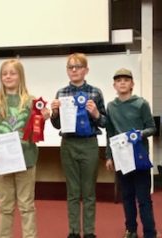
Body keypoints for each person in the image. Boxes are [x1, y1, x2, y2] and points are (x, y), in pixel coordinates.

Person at [0, 59, 50, 238]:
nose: (8, 76)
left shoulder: (31, 102)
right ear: (0, 77)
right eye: (4, 73)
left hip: (26, 160)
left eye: (12, 73)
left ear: (20, 76)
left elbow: (36, 132)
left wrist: (44, 118)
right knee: (5, 206)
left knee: (26, 205)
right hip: (2, 162)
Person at [50, 53, 106, 238]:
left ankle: (89, 232)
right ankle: (73, 231)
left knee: (89, 190)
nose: (74, 70)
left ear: (86, 70)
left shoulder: (95, 92)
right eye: (70, 67)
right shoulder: (61, 93)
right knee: (73, 190)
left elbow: (105, 122)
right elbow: (57, 125)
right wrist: (55, 112)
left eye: (78, 66)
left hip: (89, 144)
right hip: (68, 144)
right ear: (67, 71)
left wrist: (96, 113)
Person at [105, 68, 158, 238]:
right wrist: (109, 156)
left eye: (126, 80)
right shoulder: (111, 106)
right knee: (127, 196)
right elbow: (110, 132)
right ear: (114, 85)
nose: (122, 83)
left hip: (139, 158)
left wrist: (138, 134)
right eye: (118, 80)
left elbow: (152, 128)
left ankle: (150, 232)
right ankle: (131, 229)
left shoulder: (141, 104)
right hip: (122, 159)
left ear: (132, 84)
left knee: (143, 198)